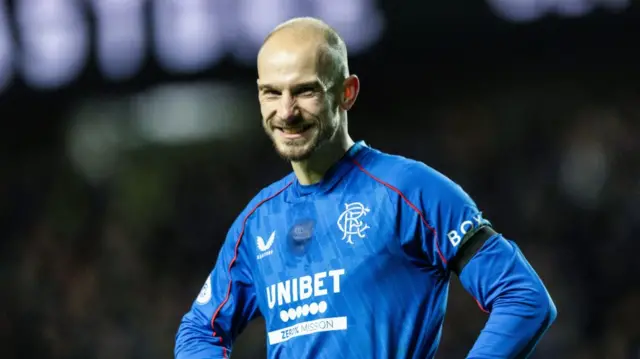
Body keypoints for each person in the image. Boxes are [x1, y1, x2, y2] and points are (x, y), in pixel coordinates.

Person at [174, 17, 556, 359]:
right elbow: (198, 332)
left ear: (347, 92)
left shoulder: (410, 191)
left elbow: (523, 297)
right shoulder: (257, 222)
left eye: (305, 91)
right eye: (272, 92)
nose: (286, 111)